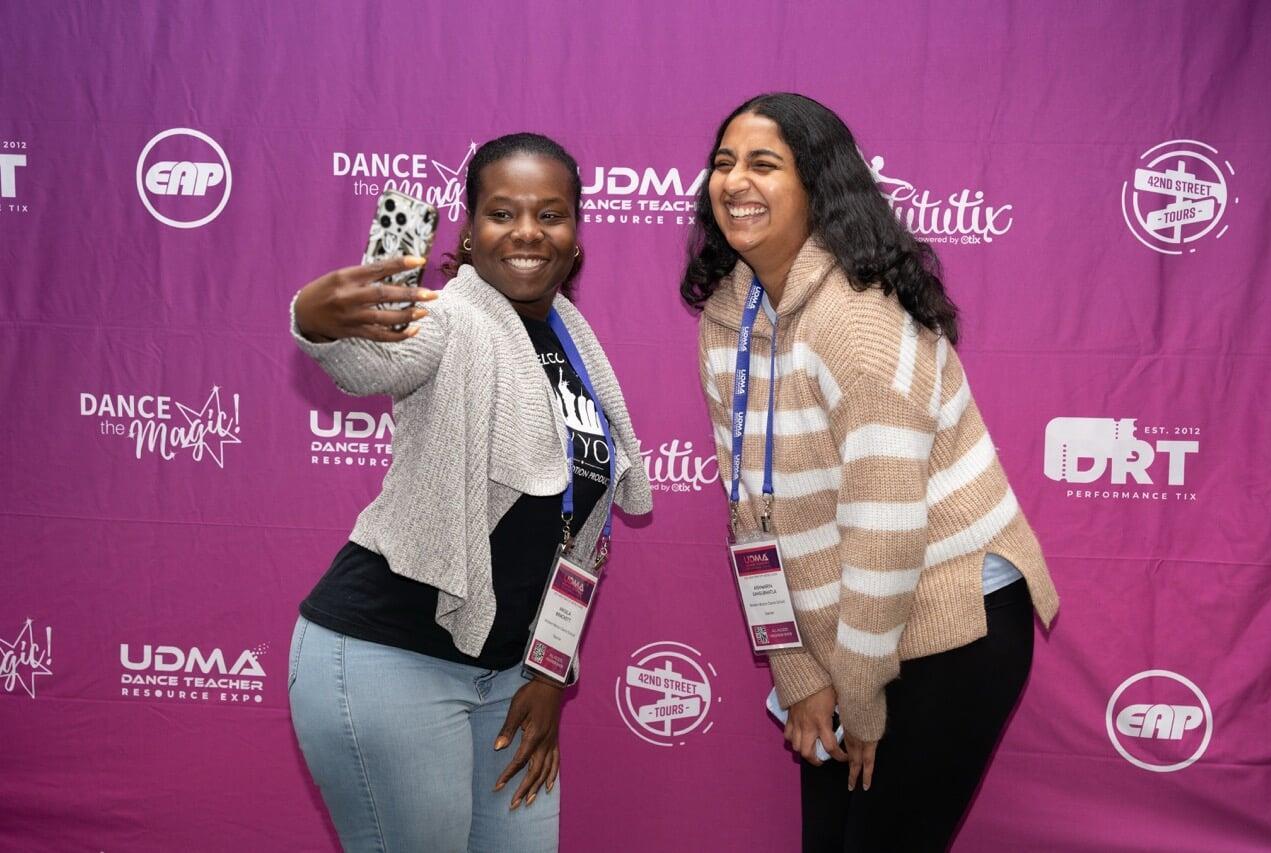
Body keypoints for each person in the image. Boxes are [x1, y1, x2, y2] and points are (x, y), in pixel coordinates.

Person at [682, 93, 1060, 852]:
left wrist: (859, 700)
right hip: (846, 631)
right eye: (724, 163)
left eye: (763, 164)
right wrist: (798, 674)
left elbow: (885, 533)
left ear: (818, 185)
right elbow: (749, 515)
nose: (734, 181)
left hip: (950, 622)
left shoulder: (859, 317)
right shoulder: (731, 315)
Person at [286, 132, 652, 853]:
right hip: (390, 655)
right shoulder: (453, 318)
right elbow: (377, 359)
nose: (527, 231)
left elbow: (575, 538)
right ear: (470, 231)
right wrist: (318, 319)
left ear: (576, 237)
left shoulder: (573, 343)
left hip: (508, 677)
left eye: (550, 214)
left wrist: (548, 674)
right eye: (502, 213)